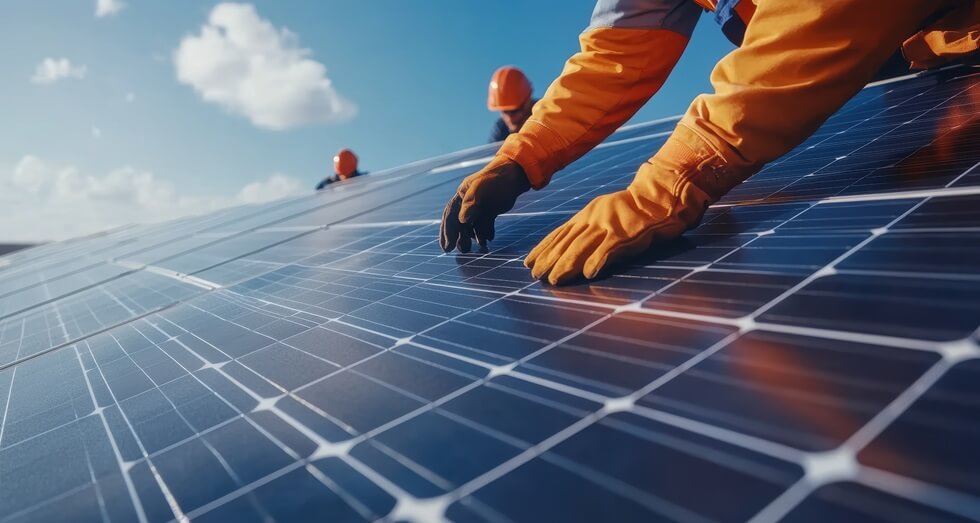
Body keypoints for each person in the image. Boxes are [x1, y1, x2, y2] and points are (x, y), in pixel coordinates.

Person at [441, 0, 980, 285]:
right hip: (928, 66)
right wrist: (520, 156)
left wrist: (665, 185)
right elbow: (614, 57)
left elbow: (819, 16)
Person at [487, 66, 538, 143]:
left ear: (528, 101)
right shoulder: (501, 130)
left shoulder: (548, 117)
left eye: (514, 111)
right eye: (505, 111)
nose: (509, 119)